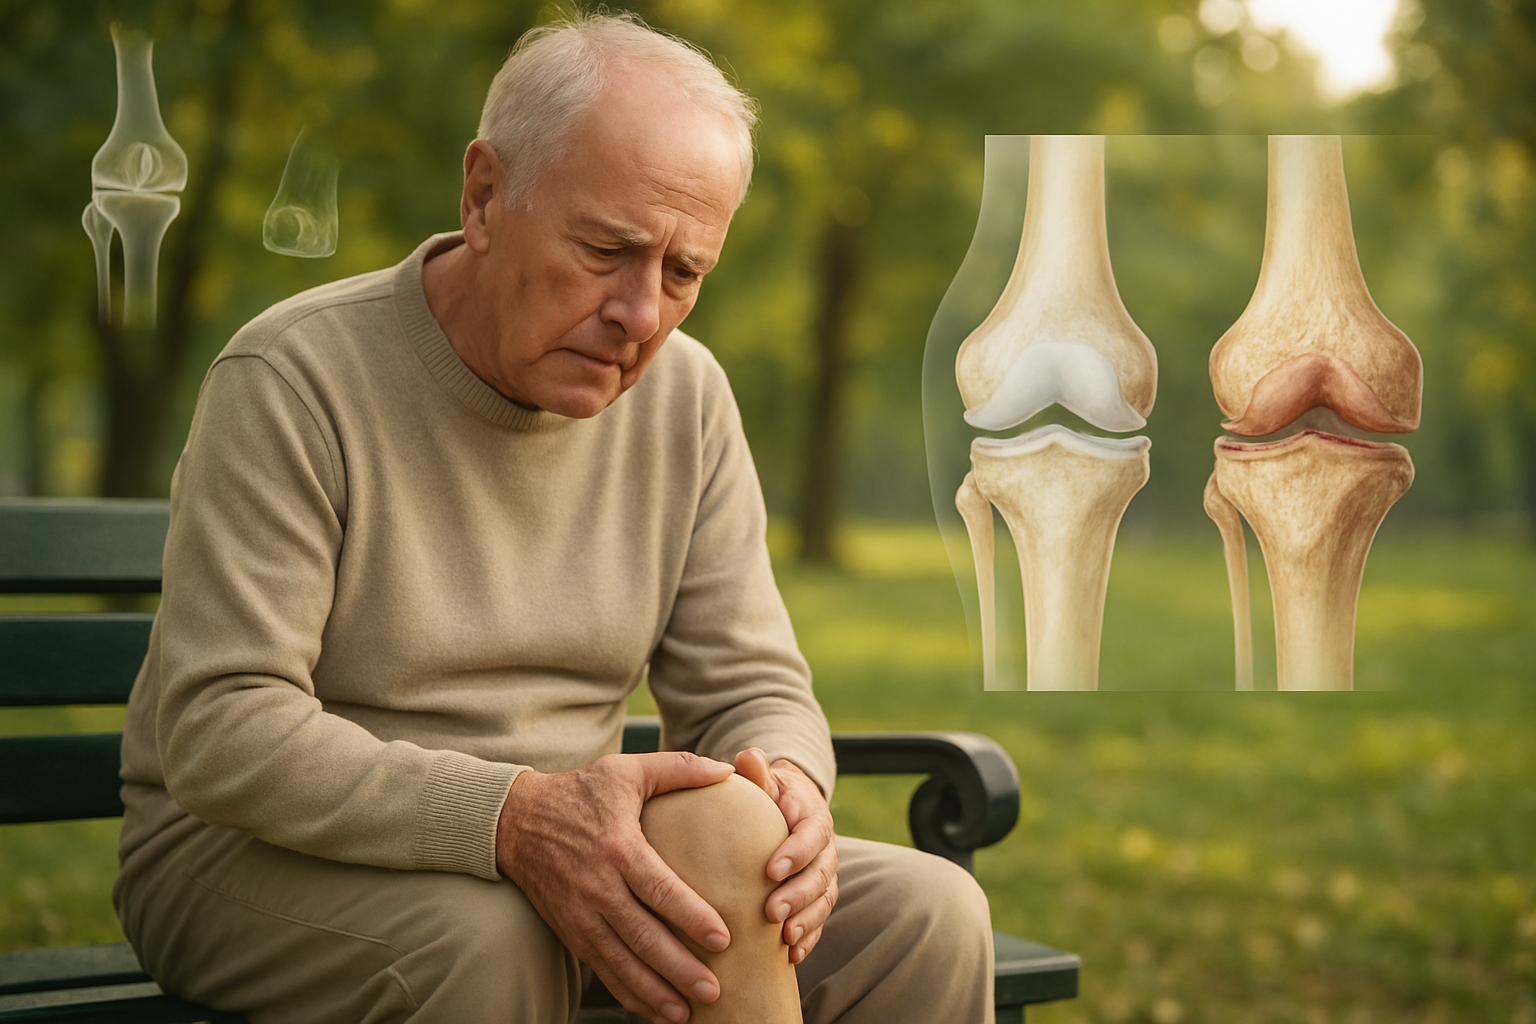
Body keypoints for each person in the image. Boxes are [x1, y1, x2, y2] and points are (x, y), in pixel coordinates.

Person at [114, 13, 994, 1024]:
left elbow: (749, 683)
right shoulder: (293, 378)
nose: (643, 313)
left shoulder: (689, 401)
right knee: (492, 942)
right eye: (607, 249)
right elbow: (223, 729)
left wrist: (788, 791)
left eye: (683, 272)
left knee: (933, 914)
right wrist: (513, 816)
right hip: (254, 854)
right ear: (485, 195)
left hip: (588, 844)